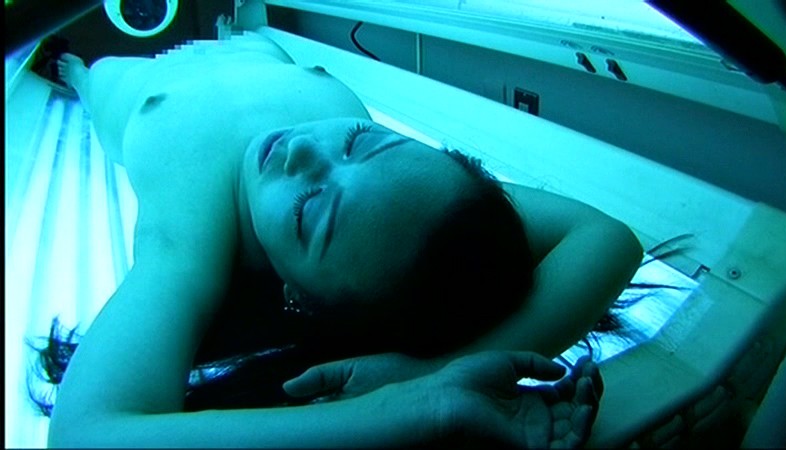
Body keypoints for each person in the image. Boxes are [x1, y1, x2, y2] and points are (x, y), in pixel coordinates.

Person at [39, 29, 642, 448]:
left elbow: (86, 434)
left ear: (296, 293)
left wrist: (413, 405)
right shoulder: (428, 194)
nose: (302, 146)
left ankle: (74, 75)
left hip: (132, 81)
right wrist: (429, 370)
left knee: (96, 75)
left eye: (308, 212)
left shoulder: (192, 234)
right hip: (256, 48)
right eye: (363, 139)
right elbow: (608, 236)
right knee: (243, 33)